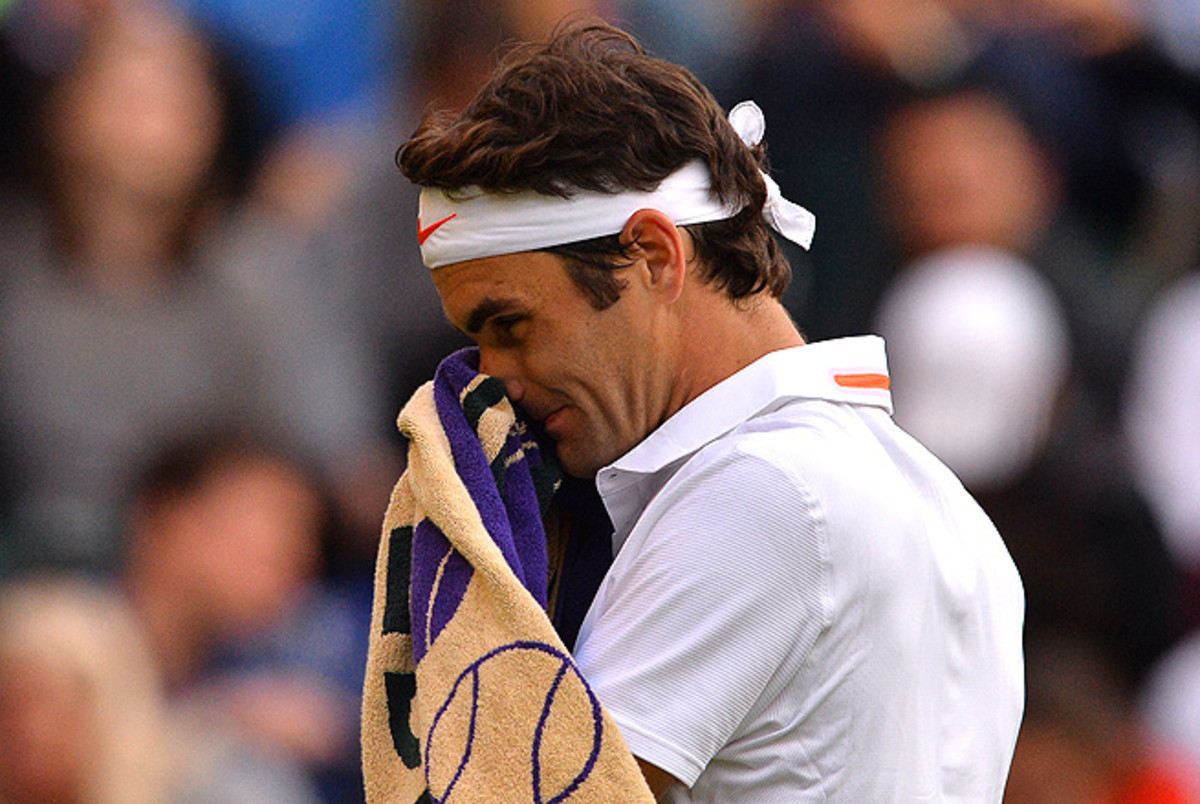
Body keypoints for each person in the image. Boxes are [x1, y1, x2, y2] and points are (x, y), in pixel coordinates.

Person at [390, 19, 1025, 802]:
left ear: (655, 256)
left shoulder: (760, 493)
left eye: (511, 326)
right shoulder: (933, 496)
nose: (493, 381)